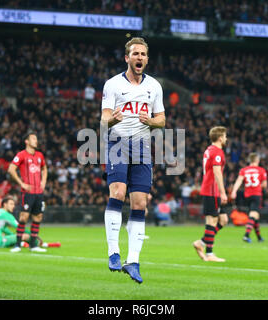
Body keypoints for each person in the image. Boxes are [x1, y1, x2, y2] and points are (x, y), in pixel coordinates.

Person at [101, 37, 165, 283]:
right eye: (135, 53)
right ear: (127, 58)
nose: (139, 57)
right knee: (117, 192)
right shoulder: (113, 84)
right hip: (118, 143)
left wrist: (151, 121)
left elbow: (161, 119)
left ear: (147, 59)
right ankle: (113, 253)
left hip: (142, 146)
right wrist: (114, 120)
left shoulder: (154, 86)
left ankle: (133, 261)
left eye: (143, 54)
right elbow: (105, 118)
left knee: (140, 203)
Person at [7, 132, 48, 253]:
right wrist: (21, 183)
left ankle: (33, 245)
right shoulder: (21, 155)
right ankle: (17, 245)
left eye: (36, 138)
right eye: (33, 139)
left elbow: (44, 168)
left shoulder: (40, 155)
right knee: (24, 217)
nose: (36, 141)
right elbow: (11, 169)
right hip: (27, 192)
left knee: (38, 217)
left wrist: (43, 181)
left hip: (38, 192)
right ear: (27, 141)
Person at [193, 126, 229, 262]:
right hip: (212, 190)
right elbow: (217, 172)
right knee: (212, 221)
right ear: (220, 138)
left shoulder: (209, 149)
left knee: (223, 220)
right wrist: (223, 192)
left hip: (211, 189)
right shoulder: (217, 152)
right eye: (225, 136)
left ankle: (201, 243)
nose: (226, 139)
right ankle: (209, 253)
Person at [231, 152, 268, 243]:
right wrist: (259, 185)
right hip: (256, 194)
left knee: (256, 216)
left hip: (247, 195)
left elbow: (239, 181)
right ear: (257, 160)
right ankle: (246, 235)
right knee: (253, 215)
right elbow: (265, 185)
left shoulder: (244, 170)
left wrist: (234, 191)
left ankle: (259, 237)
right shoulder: (261, 170)